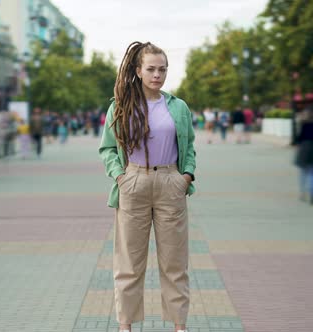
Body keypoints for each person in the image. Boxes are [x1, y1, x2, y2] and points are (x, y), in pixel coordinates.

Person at [98, 41, 196, 332]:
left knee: (174, 264)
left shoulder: (178, 107)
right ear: (138, 70)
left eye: (162, 69)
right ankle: (125, 326)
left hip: (170, 184)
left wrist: (186, 176)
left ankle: (180, 326)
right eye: (151, 69)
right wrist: (120, 176)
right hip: (133, 182)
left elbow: (189, 146)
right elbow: (107, 149)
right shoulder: (121, 106)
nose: (157, 75)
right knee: (129, 263)